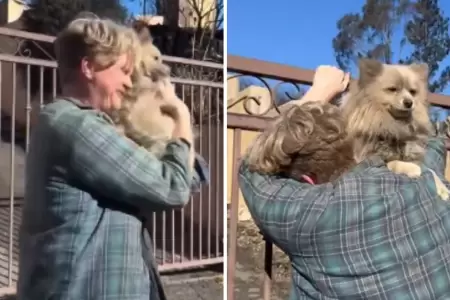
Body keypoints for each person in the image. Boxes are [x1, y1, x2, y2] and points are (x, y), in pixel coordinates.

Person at [17, 17, 208, 300]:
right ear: (89, 67)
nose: (129, 81)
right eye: (124, 71)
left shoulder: (72, 125)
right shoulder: (78, 128)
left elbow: (192, 175)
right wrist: (180, 115)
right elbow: (173, 188)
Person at [239, 66, 450, 299]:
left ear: (307, 181)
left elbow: (251, 169)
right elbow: (432, 143)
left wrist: (318, 92)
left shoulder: (311, 216)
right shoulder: (425, 179)